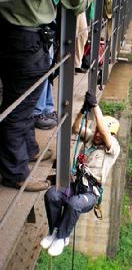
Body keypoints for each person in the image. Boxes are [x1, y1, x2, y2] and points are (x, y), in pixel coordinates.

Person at [0, 0, 107, 191]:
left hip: (8, 27)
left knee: (25, 100)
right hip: (27, 33)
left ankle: (29, 149)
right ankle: (15, 173)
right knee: (19, 106)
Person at [40, 90, 120, 256]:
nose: (97, 134)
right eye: (96, 130)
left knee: (74, 204)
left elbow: (105, 134)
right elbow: (76, 128)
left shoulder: (113, 149)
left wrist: (95, 106)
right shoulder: (91, 137)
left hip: (90, 194)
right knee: (51, 195)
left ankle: (63, 237)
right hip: (75, 187)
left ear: (111, 135)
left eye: (100, 132)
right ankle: (54, 232)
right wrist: (82, 111)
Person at [75, 0, 132, 74]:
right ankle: (67, 67)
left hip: (79, 5)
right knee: (74, 34)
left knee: (82, 33)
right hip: (67, 4)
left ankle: (74, 66)